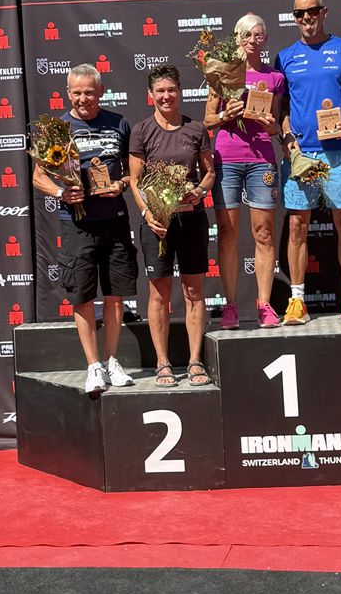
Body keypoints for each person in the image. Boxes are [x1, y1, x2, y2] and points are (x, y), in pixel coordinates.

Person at [31, 62, 137, 397]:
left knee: (115, 295)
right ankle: (93, 366)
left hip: (115, 220)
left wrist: (120, 185)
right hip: (77, 224)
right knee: (83, 297)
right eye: (76, 93)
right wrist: (62, 193)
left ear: (101, 92)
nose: (83, 99)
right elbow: (38, 176)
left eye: (89, 92)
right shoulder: (58, 129)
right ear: (68, 93)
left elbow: (131, 171)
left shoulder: (119, 123)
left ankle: (112, 361)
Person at [276, 0, 341, 325]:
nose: (306, 18)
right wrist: (288, 139)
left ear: (324, 12)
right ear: (294, 18)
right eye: (299, 14)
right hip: (302, 153)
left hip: (339, 152)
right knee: (297, 225)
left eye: (312, 11)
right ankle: (297, 300)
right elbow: (281, 107)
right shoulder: (285, 57)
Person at [129, 62, 216, 386]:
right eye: (160, 91)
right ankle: (163, 363)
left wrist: (200, 191)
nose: (166, 96)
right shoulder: (141, 130)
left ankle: (195, 361)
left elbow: (209, 172)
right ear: (150, 95)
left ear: (179, 91)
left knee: (194, 291)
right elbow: (135, 180)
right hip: (157, 225)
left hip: (191, 220)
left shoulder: (196, 129)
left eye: (171, 90)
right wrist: (147, 214)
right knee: (159, 294)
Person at [204, 12, 285, 328]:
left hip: (261, 159)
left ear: (265, 39)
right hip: (227, 158)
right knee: (227, 234)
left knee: (264, 233)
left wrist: (270, 123)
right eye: (247, 35)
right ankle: (231, 306)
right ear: (236, 38)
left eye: (258, 35)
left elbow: (276, 127)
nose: (253, 40)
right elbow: (207, 120)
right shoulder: (222, 72)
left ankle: (264, 304)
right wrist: (226, 116)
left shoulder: (275, 78)